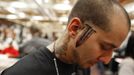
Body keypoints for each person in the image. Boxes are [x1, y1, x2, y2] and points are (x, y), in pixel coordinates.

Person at [1, 0, 131, 75]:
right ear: (75, 28)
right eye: (105, 47)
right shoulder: (23, 73)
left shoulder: (82, 63)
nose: (107, 60)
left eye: (113, 50)